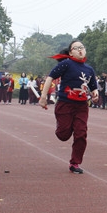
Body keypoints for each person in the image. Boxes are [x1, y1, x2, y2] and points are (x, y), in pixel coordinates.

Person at [39, 40, 99, 174]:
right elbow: (50, 78)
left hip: (82, 106)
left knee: (81, 133)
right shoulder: (66, 64)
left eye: (82, 47)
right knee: (63, 135)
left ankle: (75, 163)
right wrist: (43, 97)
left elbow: (93, 87)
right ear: (71, 52)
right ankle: (63, 126)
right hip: (65, 104)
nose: (80, 50)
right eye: (76, 48)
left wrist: (95, 94)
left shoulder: (89, 69)